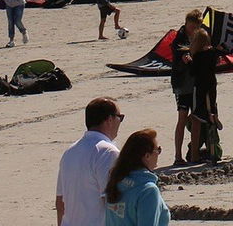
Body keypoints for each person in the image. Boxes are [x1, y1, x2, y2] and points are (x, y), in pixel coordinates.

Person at [55, 97, 122, 226]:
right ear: (109, 119)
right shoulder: (108, 152)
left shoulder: (69, 152)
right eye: (120, 117)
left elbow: (60, 203)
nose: (120, 122)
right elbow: (112, 202)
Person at [103, 128, 170, 226]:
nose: (158, 154)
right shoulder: (148, 190)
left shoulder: (116, 181)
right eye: (158, 150)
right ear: (147, 156)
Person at [187, 27, 223, 161]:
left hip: (200, 87)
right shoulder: (213, 53)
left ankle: (194, 154)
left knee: (196, 118)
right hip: (211, 86)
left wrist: (189, 61)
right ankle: (213, 150)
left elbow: (193, 72)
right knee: (211, 113)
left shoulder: (197, 56)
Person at [171, 10, 202, 161]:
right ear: (186, 23)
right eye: (191, 26)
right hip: (182, 84)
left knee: (196, 118)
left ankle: (195, 154)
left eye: (196, 26)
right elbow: (176, 58)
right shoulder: (179, 38)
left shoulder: (201, 37)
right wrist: (183, 59)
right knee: (182, 118)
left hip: (197, 83)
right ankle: (178, 155)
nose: (193, 29)